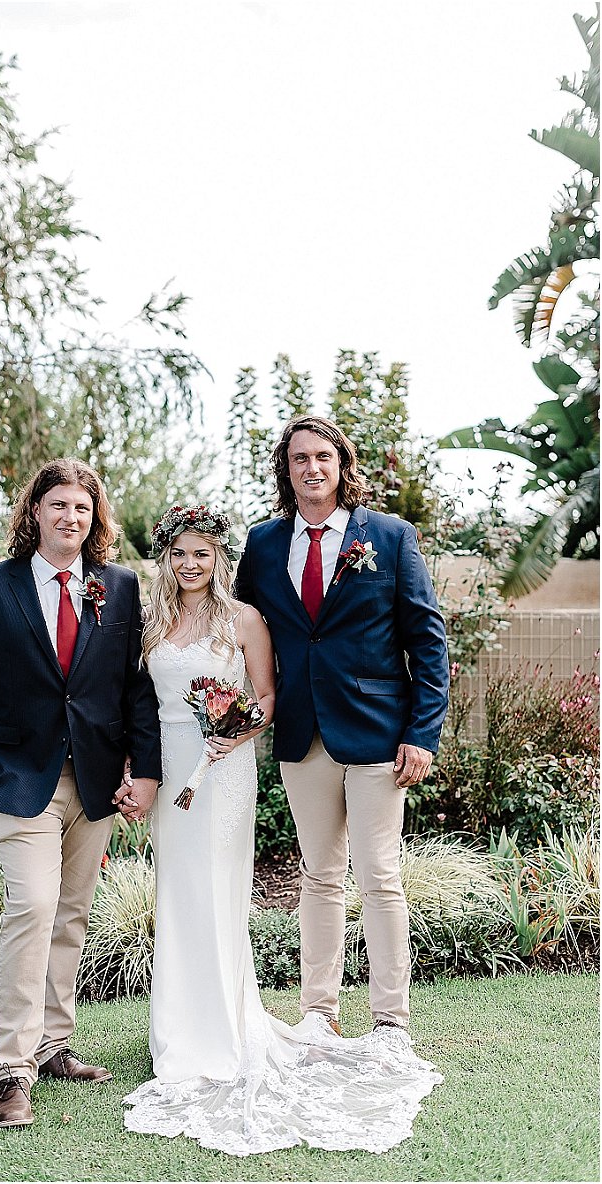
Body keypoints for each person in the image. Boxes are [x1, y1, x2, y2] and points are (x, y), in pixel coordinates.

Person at [120, 504, 442, 1156]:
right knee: (189, 891)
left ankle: (382, 1021)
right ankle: (213, 1022)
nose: (190, 563)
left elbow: (269, 693)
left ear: (219, 558)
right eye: (179, 552)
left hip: (263, 760)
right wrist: (138, 767)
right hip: (184, 768)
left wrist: (233, 731)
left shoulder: (249, 615)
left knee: (362, 878)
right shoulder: (155, 618)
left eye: (202, 552)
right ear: (165, 557)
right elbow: (136, 702)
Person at [0, 458, 161, 1129]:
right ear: (35, 511)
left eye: (82, 508)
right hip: (17, 777)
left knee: (70, 914)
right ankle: (13, 1070)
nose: (71, 517)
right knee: (32, 907)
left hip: (95, 779)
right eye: (58, 504)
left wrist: (144, 771)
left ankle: (53, 1044)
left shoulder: (118, 587)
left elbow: (135, 689)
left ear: (95, 519)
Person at [235, 415, 450, 1040]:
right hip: (302, 733)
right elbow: (239, 626)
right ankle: (318, 1012)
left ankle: (390, 1020)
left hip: (380, 733)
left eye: (323, 456)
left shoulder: (390, 536)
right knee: (319, 875)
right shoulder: (264, 543)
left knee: (380, 877)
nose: (312, 468)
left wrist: (422, 734)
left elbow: (427, 642)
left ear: (341, 464)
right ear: (286, 470)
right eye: (299, 458)